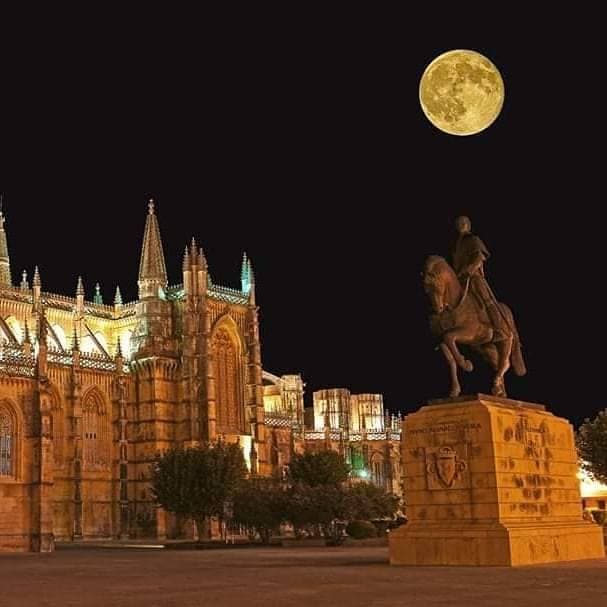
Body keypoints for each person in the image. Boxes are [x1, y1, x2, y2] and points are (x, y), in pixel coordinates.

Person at [452, 216, 507, 340]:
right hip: (460, 278)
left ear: (468, 225)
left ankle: (499, 329)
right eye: (458, 223)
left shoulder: (472, 239)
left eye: (463, 223)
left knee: (486, 300)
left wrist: (469, 270)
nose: (460, 225)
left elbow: (479, 258)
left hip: (473, 277)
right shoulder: (457, 245)